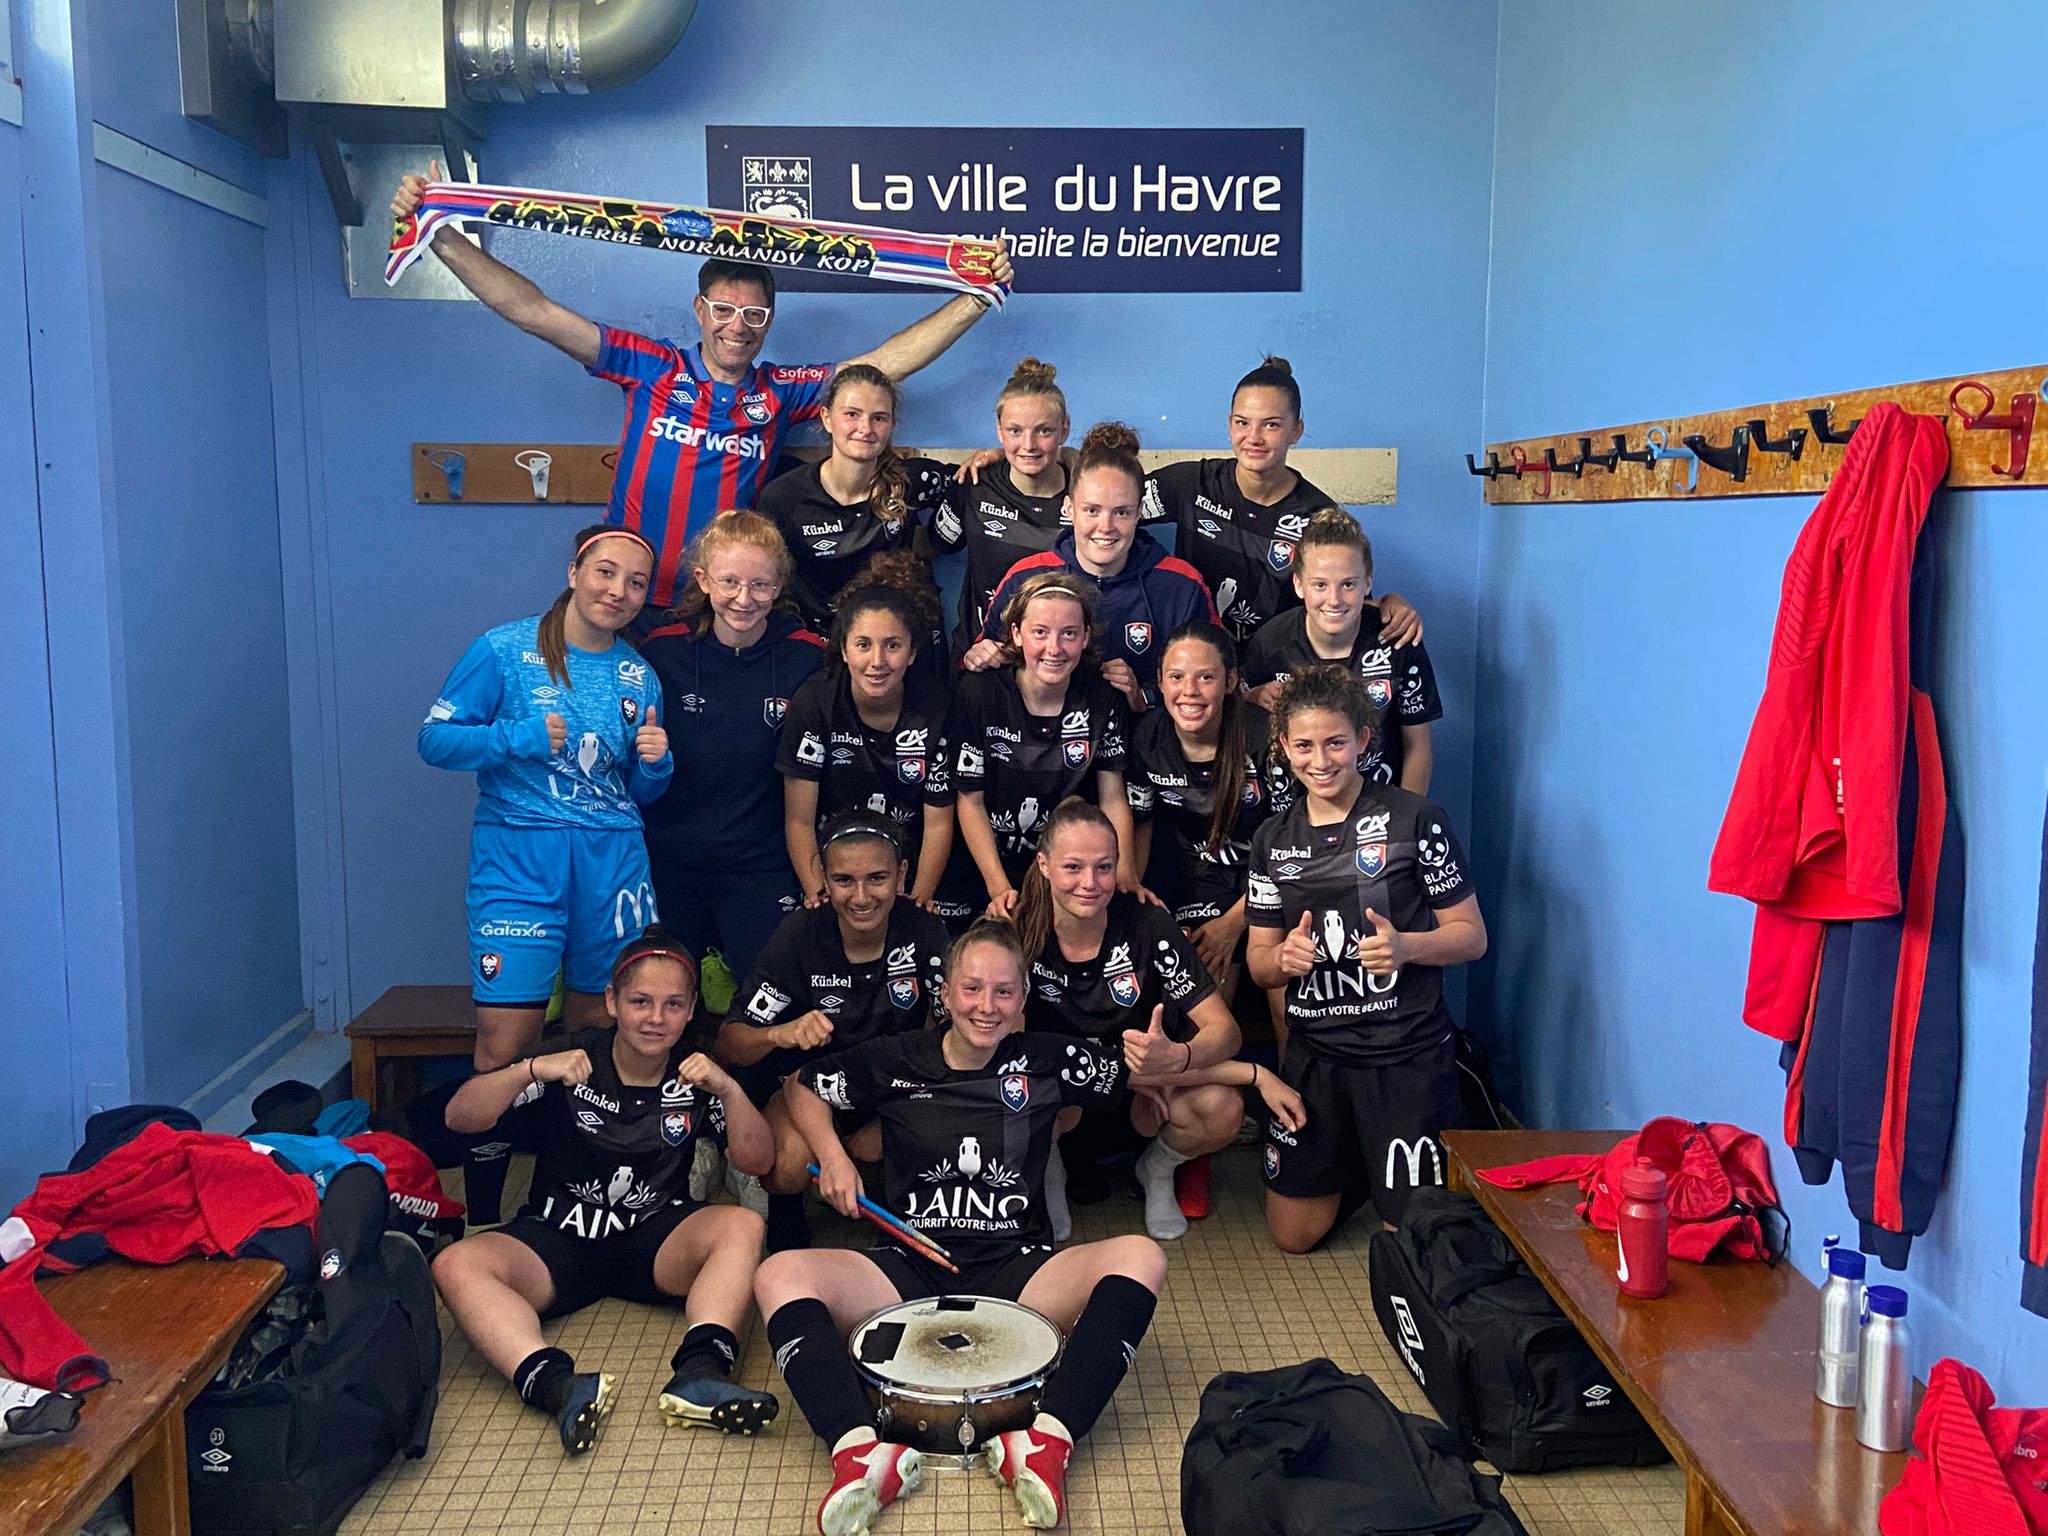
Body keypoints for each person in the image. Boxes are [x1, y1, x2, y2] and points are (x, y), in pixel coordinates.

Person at [389, 171, 1012, 618]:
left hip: (721, 606)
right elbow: (535, 312)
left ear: (769, 320)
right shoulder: (652, 367)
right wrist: (440, 235)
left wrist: (977, 298)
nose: (737, 326)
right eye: (723, 310)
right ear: (700, 310)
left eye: (754, 315)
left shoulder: (780, 392)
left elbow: (880, 367)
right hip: (626, 598)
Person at [756, 921, 1168, 1534]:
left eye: (1004, 991)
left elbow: (1146, 1074)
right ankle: (859, 1451)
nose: (986, 1006)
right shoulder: (896, 1058)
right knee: (778, 1273)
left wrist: (1245, 1074)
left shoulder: (1050, 1059)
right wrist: (834, 1156)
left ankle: (1046, 1441)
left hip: (1018, 1267)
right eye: (971, 989)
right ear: (945, 993)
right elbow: (806, 1087)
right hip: (906, 1266)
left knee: (1142, 1256)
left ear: (1023, 998)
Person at [431, 928, 776, 1456]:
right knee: (454, 1264)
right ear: (613, 1001)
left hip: (654, 1239)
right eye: (640, 1001)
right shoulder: (572, 1055)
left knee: (743, 1224)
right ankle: (556, 1385)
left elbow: (759, 1162)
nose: (656, 1018)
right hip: (557, 1237)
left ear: (690, 1011)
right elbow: (460, 1118)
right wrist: (530, 1069)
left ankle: (701, 1372)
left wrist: (728, 1089)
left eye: (673, 1004)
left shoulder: (697, 1070)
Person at [418, 524, 674, 1222]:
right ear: (574, 572)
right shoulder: (503, 649)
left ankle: (574, 1198)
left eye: (636, 583)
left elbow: (638, 789)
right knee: (506, 1042)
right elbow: (434, 740)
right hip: (519, 860)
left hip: (612, 863)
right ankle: (483, 1218)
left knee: (598, 1035)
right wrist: (517, 738)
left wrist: (657, 765)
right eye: (605, 572)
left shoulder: (638, 673)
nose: (618, 591)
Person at [1244, 666, 1487, 1252]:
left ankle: (1384, 1165)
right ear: (1284, 748)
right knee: (1293, 1236)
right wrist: (1283, 958)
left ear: (1363, 739)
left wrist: (1407, 946)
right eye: (1304, 746)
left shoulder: (1415, 818)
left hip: (1404, 1054)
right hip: (1317, 1057)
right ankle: (1359, 1159)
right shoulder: (1272, 839)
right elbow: (1258, 964)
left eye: (1335, 742)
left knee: (1412, 1240)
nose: (1320, 760)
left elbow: (1471, 937)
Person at [1010, 799, 1248, 1242]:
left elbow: (1225, 1032)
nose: (1090, 883)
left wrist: (1177, 1057)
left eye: (1104, 867)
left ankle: (1157, 1170)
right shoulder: (1017, 930)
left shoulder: (1148, 924)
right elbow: (998, 1049)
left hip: (1145, 1102)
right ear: (1043, 865)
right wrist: (1118, 1072)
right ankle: (1050, 1175)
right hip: (1064, 1103)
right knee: (1013, 1091)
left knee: (1222, 1107)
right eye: (1073, 867)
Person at [719, 810, 951, 1251]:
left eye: (877, 878)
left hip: (896, 1087)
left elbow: (956, 1033)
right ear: (823, 878)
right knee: (787, 1163)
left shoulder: (923, 929)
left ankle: (901, 1202)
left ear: (902, 874)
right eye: (844, 880)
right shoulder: (800, 934)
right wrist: (780, 1033)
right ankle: (787, 1217)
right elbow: (730, 1044)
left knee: (934, 1125)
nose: (861, 897)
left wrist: (903, 1114)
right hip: (810, 1092)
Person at [1126, 622, 1296, 1215]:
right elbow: (1141, 826)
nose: (1190, 690)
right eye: (1177, 677)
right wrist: (1136, 896)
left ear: (1230, 682)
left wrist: (1236, 921)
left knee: (1280, 982)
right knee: (1205, 975)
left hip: (1271, 884)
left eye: (1205, 677)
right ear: (1159, 682)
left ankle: (1292, 1123)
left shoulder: (1263, 736)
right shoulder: (1147, 736)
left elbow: (1290, 844)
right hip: (1192, 883)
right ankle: (1192, 1148)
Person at [640, 512, 825, 989]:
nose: (744, 598)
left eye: (760, 585)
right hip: (668, 858)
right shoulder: (661, 652)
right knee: (659, 1000)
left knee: (769, 997)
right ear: (703, 580)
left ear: (779, 586)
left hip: (759, 863)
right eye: (729, 582)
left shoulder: (808, 656)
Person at [1138, 355, 1422, 648]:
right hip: (1198, 664)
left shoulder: (1317, 516)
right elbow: (1114, 518)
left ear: (1296, 431)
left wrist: (1389, 606)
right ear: (1230, 425)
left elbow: (1342, 600)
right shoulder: (1192, 484)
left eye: (1271, 425)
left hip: (1275, 667)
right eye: (1243, 423)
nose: (1254, 437)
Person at [966, 422, 1215, 710]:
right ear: (1069, 509)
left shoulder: (1182, 586)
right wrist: (979, 657)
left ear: (1139, 513)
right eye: (1092, 510)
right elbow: (988, 660)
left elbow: (1214, 678)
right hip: (1042, 732)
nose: (1105, 527)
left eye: (1121, 512)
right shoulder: (1026, 579)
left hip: (1142, 732)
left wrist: (1144, 698)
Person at [940, 573, 1139, 923]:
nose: (1054, 648)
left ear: (1086, 637)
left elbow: (1112, 797)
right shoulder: (980, 693)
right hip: (988, 869)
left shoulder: (1102, 697)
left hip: (1070, 872)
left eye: (1069, 634)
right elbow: (970, 801)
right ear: (1016, 634)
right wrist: (999, 888)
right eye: (1040, 632)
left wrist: (1124, 874)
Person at [778, 583, 955, 913]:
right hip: (834, 866)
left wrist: (917, 903)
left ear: (912, 653)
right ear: (844, 650)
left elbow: (939, 823)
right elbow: (799, 821)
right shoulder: (815, 702)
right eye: (863, 645)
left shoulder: (937, 708)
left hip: (906, 866)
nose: (877, 661)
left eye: (893, 645)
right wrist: (821, 895)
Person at [1239, 508, 1442, 793]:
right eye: (1320, 585)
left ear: (1368, 582)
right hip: (1295, 810)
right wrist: (1250, 695)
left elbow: (1417, 745)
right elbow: (1237, 721)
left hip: (1379, 805)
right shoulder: (1270, 643)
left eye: (1348, 584)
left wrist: (1409, 815)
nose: (1334, 600)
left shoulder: (1397, 641)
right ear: (1298, 584)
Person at [755, 365, 956, 637]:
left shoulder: (909, 482)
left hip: (891, 641)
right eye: (852, 414)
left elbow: (973, 484)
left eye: (879, 418)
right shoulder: (784, 497)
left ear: (892, 425)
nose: (865, 428)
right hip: (815, 643)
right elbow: (766, 581)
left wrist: (935, 541)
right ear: (827, 418)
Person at [924, 357, 1076, 658]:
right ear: (999, 430)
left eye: (1044, 431)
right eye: (1015, 431)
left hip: (1057, 659)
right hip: (980, 658)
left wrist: (1075, 457)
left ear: (1064, 429)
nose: (1029, 445)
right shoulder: (973, 484)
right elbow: (930, 546)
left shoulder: (1086, 495)